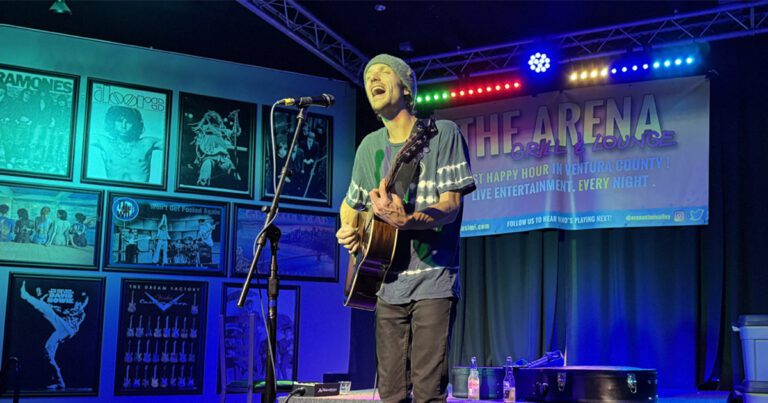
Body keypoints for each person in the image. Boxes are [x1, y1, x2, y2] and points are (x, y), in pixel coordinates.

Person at [336, 54, 476, 402]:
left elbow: (451, 205)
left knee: (429, 390)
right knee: (391, 392)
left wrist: (408, 220)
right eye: (368, 76)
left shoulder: (441, 134)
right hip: (384, 280)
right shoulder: (370, 146)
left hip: (433, 278)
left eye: (383, 73)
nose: (373, 80)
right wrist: (348, 231)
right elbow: (350, 205)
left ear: (407, 87)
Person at [20, 280, 89, 390]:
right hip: (62, 331)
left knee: (50, 313)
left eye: (79, 302)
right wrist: (44, 302)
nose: (76, 303)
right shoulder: (70, 309)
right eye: (77, 302)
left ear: (82, 304)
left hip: (68, 329)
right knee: (47, 353)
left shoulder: (81, 312)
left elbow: (64, 310)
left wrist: (44, 303)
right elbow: (58, 308)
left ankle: (26, 296)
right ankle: (59, 382)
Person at [90, 105, 161, 183]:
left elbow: (173, 147)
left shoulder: (147, 143)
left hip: (139, 193)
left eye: (128, 122)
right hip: (113, 192)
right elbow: (78, 135)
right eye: (120, 121)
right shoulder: (105, 142)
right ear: (113, 122)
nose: (123, 126)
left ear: (135, 124)